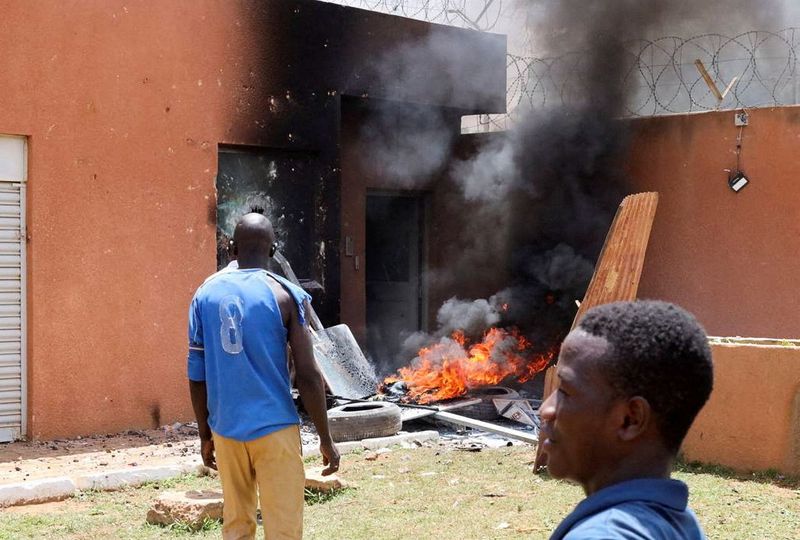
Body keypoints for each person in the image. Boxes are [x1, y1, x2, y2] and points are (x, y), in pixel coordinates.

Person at [188, 213, 339, 540]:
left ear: (231, 247)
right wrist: (326, 439)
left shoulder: (204, 295)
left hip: (226, 430)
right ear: (273, 251)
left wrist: (205, 433)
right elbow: (309, 376)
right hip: (275, 430)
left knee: (237, 525)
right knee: (283, 528)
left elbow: (196, 374)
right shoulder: (286, 295)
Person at [542, 300, 713, 540]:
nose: (546, 410)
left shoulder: (602, 535)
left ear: (630, 420)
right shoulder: (678, 523)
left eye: (565, 392)